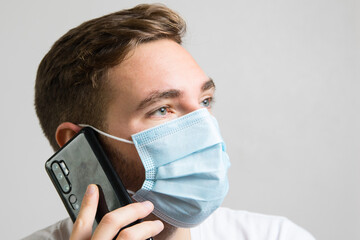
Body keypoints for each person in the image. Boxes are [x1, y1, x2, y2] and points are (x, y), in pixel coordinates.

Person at [24, 3, 316, 240]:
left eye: (205, 102)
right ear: (77, 147)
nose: (204, 128)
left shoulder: (276, 235)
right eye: (162, 109)